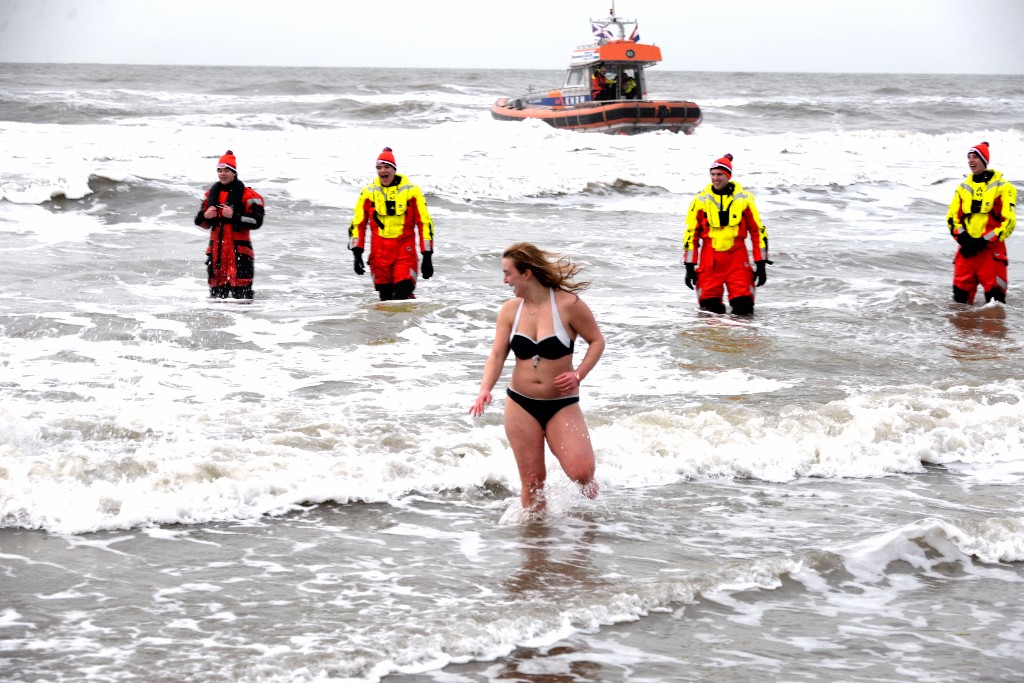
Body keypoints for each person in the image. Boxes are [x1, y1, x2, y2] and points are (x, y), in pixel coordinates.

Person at [470, 243, 604, 513]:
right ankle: (534, 543)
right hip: (520, 403)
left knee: (581, 472)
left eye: (508, 273)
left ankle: (593, 519)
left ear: (527, 274)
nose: (504, 280)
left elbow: (597, 341)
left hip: (561, 403)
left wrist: (579, 374)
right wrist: (485, 389)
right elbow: (497, 355)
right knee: (532, 483)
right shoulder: (510, 310)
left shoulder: (569, 305)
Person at [683, 153, 771, 315]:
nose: (715, 178)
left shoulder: (745, 199)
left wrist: (761, 263)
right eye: (713, 174)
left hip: (737, 260)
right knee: (710, 313)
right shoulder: (700, 201)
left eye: (720, 174)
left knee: (744, 310)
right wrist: (689, 266)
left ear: (728, 176)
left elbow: (757, 231)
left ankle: (742, 340)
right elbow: (691, 235)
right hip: (709, 262)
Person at [348, 147, 435, 301]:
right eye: (379, 168)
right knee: (386, 301)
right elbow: (358, 224)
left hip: (404, 253)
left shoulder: (412, 192)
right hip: (379, 257)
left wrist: (427, 255)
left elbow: (424, 223)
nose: (382, 171)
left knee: (402, 294)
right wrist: (357, 254)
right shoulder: (368, 193)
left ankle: (413, 323)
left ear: (394, 169)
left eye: (386, 167)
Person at [946, 141, 1017, 304]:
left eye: (975, 157)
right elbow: (952, 217)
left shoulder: (1004, 188)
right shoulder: (963, 187)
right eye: (969, 157)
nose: (971, 161)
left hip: (991, 254)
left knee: (995, 305)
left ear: (985, 160)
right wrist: (963, 238)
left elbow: (1009, 222)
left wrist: (984, 241)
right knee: (959, 306)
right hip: (966, 252)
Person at [194, 150, 265, 299]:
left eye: (226, 170)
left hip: (240, 257)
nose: (222, 174)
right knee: (216, 303)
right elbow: (201, 222)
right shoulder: (209, 196)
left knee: (243, 302)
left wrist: (235, 217)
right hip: (216, 257)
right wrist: (205, 216)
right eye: (219, 171)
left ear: (234, 173)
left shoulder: (249, 196)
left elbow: (257, 222)